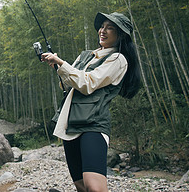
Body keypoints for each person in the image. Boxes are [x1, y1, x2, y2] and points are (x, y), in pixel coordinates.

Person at [41, 12, 141, 192]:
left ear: (121, 35)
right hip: (70, 124)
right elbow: (68, 86)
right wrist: (58, 68)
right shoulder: (85, 56)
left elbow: (87, 83)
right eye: (102, 26)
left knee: (94, 188)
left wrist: (62, 63)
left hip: (93, 125)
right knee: (81, 186)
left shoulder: (118, 59)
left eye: (110, 28)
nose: (103, 31)